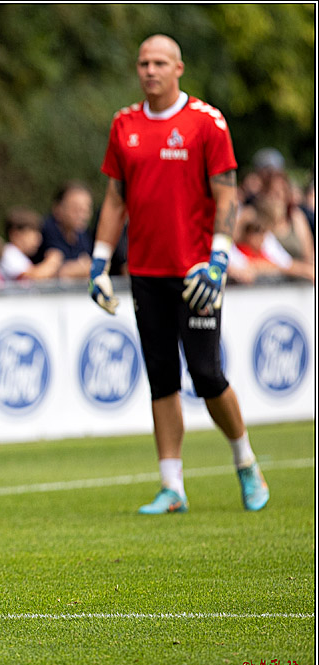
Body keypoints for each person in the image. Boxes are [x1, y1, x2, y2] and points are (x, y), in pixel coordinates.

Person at [88, 34, 270, 515]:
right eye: (144, 62)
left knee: (208, 375)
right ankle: (172, 486)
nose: (150, 70)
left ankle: (245, 462)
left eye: (160, 62)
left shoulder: (206, 123)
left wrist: (219, 259)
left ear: (179, 69)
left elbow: (227, 195)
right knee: (161, 378)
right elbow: (115, 198)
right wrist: (100, 262)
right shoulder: (124, 124)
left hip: (196, 272)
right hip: (146, 272)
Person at [37, 181, 94, 281]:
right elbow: (55, 272)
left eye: (86, 209)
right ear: (58, 209)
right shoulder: (45, 230)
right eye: (75, 209)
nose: (82, 215)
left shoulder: (83, 234)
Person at [0, 206, 63, 282]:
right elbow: (32, 277)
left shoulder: (20, 256)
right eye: (32, 233)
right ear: (15, 234)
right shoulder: (9, 253)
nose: (38, 238)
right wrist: (52, 262)